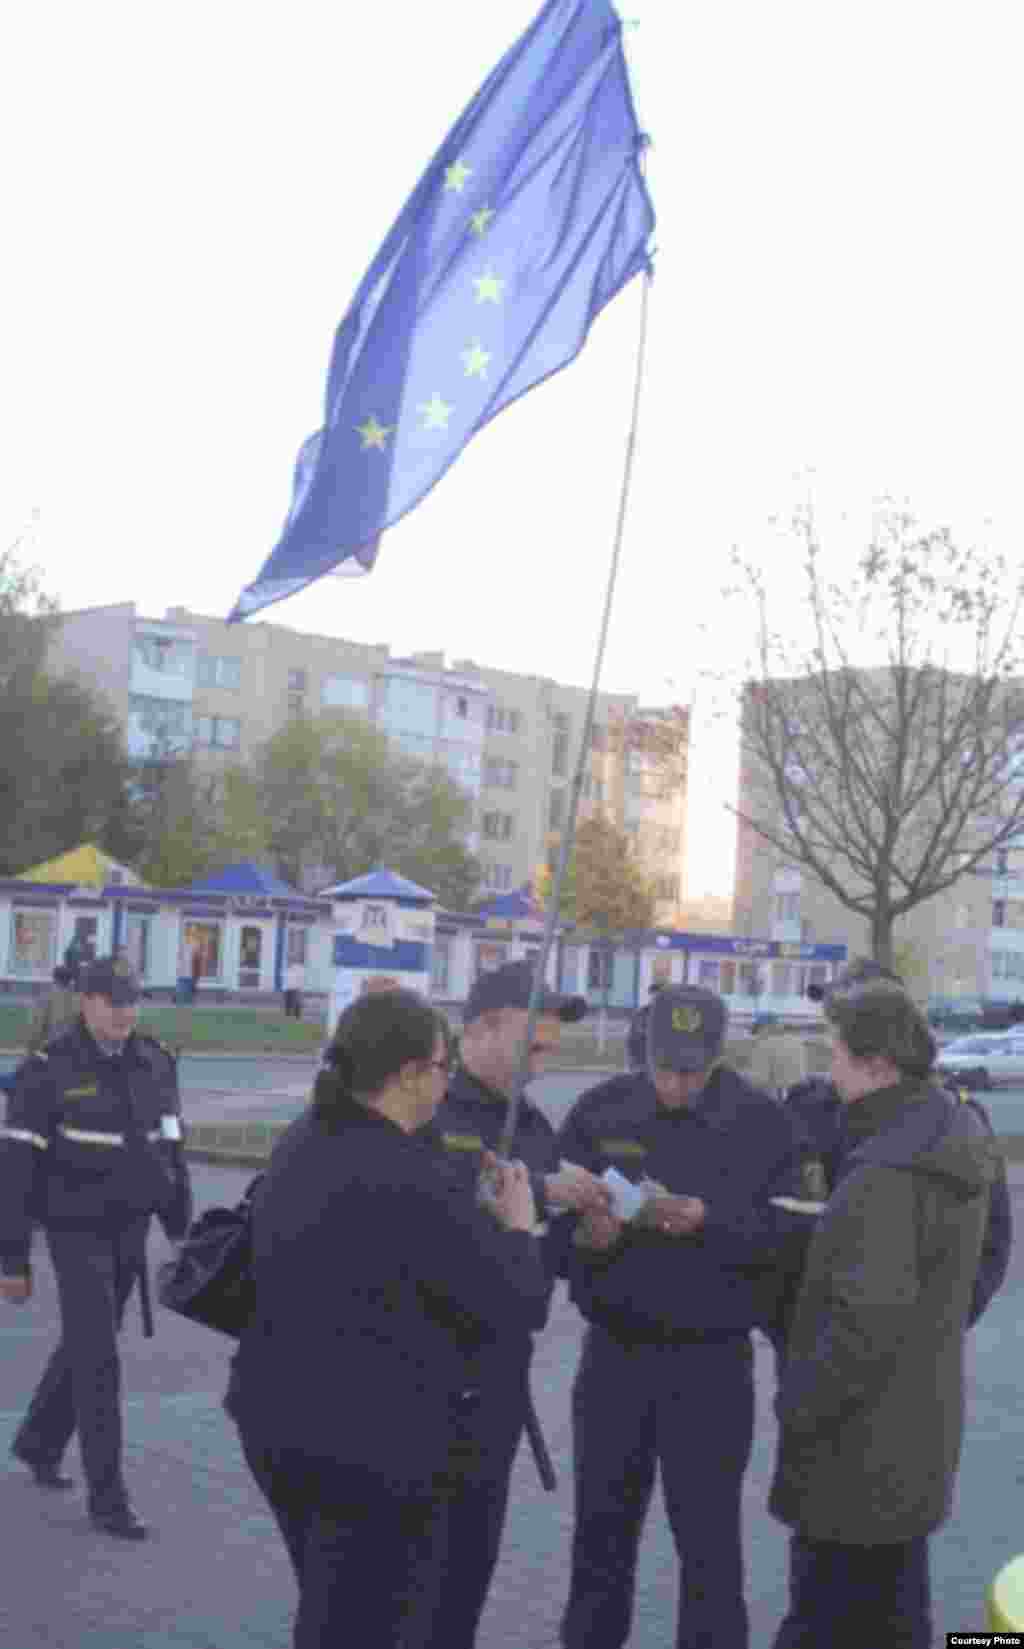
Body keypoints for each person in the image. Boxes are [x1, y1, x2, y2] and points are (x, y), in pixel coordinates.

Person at [225, 988, 550, 1649]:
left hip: (278, 1420)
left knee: (331, 1603)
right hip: (367, 1446)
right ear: (405, 1076)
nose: (448, 1077)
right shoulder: (405, 1175)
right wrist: (519, 1226)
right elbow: (515, 1299)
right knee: (368, 1618)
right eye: (440, 1065)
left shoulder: (307, 1138)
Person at [556, 983, 810, 1649]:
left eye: (691, 1070)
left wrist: (709, 1221)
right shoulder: (598, 1110)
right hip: (614, 1359)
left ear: (718, 1056)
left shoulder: (764, 1124)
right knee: (599, 1539)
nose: (674, 1082)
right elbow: (549, 1232)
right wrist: (586, 1239)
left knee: (709, 1548)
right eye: (663, 1066)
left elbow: (791, 1241)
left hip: (710, 1365)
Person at [769, 982, 996, 1649]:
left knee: (821, 1618)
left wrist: (797, 1403)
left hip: (855, 1451)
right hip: (913, 1431)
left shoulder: (885, 1172)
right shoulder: (950, 1133)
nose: (827, 1064)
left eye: (836, 1050)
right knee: (896, 1615)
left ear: (876, 1064)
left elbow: (861, 1327)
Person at [418, 959, 610, 1649]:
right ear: (481, 1030)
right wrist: (514, 1195)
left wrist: (583, 1230)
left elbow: (539, 1268)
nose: (545, 1061)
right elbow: (419, 1218)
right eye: (534, 1045)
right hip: (416, 1390)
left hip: (495, 1396)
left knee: (466, 1586)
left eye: (552, 1049)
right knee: (403, 1593)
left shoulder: (530, 1124)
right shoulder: (425, 1108)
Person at [0, 957, 192, 1540]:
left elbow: (170, 1145)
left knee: (86, 1348)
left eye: (132, 1000)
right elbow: (16, 1170)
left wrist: (180, 1228)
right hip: (74, 1231)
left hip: (129, 1231)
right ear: (85, 1001)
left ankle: (38, 1443)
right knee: (100, 1360)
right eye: (113, 1001)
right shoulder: (47, 1070)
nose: (125, 1012)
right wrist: (12, 1258)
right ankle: (109, 1500)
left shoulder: (155, 1061)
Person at [784, 958, 1012, 1330]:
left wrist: (933, 1327)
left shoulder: (954, 1119)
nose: (833, 1037)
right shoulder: (808, 1105)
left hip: (904, 1349)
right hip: (809, 1333)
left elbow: (990, 1242)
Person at [746, 1020, 809, 1100]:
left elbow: (760, 1079)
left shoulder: (764, 1044)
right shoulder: (797, 1040)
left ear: (764, 1028)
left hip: (777, 1095)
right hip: (799, 1092)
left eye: (757, 1032)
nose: (756, 1037)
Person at [25, 965, 79, 1056]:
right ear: (70, 980)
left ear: (54, 979)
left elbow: (37, 1027)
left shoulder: (46, 997)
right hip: (72, 1050)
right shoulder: (78, 999)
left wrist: (31, 1050)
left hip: (51, 1048)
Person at [625, 979, 664, 1071]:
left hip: (658, 1061)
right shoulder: (642, 1013)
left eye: (658, 995)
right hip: (640, 1058)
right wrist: (631, 1060)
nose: (654, 997)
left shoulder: (667, 1014)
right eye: (653, 994)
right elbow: (632, 1036)